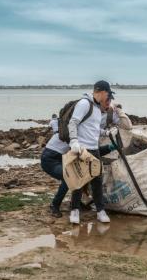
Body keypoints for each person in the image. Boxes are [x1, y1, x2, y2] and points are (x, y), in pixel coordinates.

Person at [40, 81, 117, 223]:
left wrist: (106, 133)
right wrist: (75, 141)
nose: (108, 98)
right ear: (99, 91)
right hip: (53, 156)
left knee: (94, 179)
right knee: (73, 179)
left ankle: (99, 211)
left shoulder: (96, 109)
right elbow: (73, 122)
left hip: (87, 150)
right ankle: (62, 207)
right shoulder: (84, 104)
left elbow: (93, 130)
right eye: (108, 95)